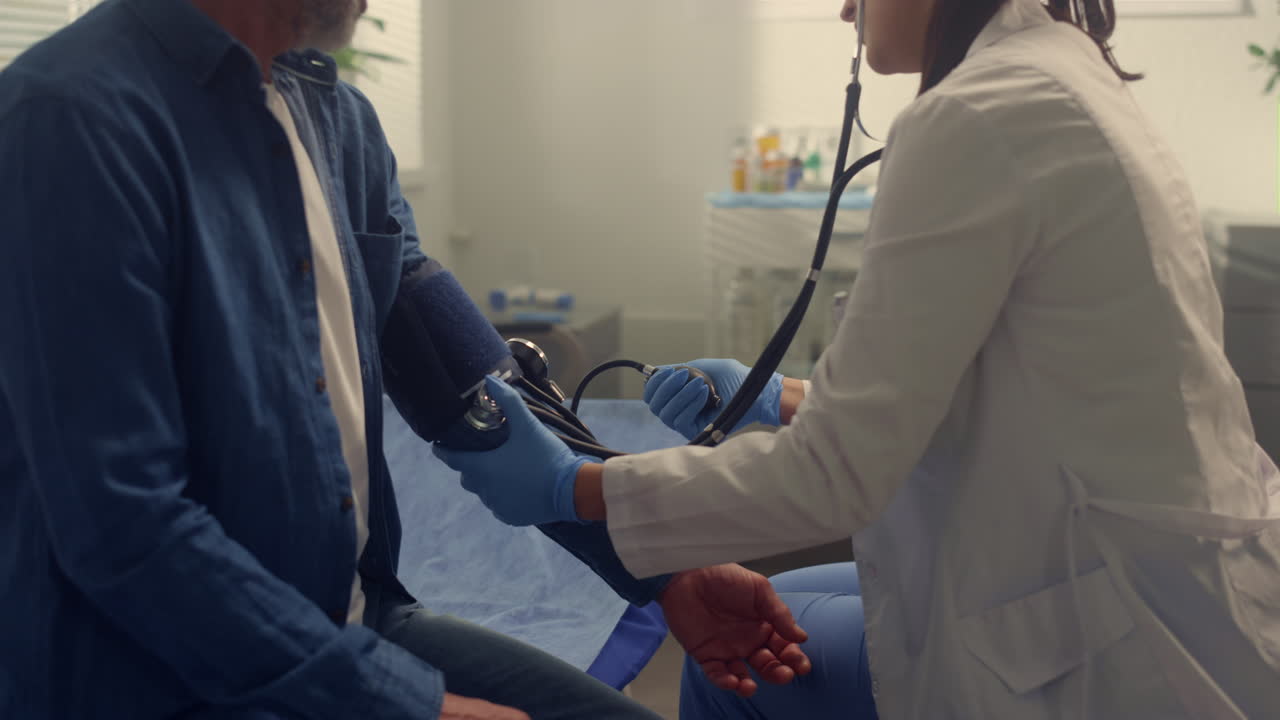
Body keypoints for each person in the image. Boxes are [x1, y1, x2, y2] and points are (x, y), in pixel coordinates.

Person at [435, 0, 1280, 717]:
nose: (846, 8)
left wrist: (577, 488)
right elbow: (988, 380)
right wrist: (786, 400)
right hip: (1152, 571)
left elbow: (835, 477)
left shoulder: (977, 116)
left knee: (733, 665)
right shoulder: (1062, 77)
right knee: (790, 605)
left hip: (1106, 638)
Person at [0, 1, 814, 718]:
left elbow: (470, 390)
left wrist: (660, 572)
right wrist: (401, 705)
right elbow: (123, 527)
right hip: (153, 676)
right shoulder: (69, 118)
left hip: (354, 621)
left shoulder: (339, 123)